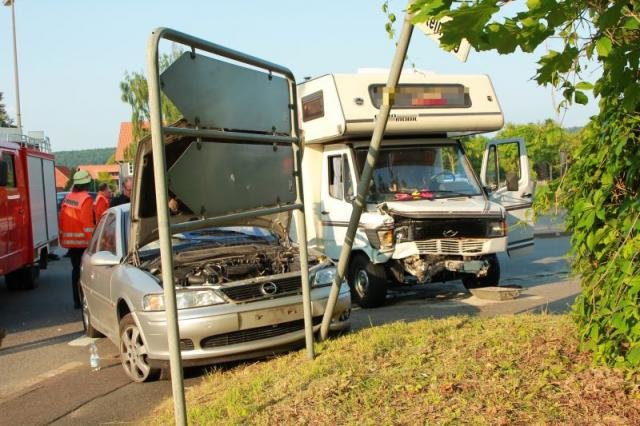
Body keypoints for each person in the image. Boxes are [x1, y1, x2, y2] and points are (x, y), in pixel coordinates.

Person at [59, 170, 95, 309]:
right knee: (86, 273)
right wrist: (93, 242)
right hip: (84, 243)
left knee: (75, 271)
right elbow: (87, 224)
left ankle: (77, 301)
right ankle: (85, 300)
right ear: (86, 183)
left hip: (71, 243)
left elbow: (61, 218)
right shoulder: (86, 199)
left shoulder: (67, 198)